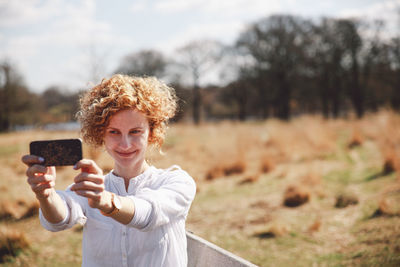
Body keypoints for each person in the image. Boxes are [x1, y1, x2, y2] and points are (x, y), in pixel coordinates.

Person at [22, 74, 196, 267]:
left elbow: (148, 214)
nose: (125, 143)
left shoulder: (178, 183)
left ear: (152, 132)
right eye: (114, 132)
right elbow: (58, 220)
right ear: (100, 135)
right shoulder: (93, 187)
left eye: (135, 131)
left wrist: (104, 201)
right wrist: (45, 195)